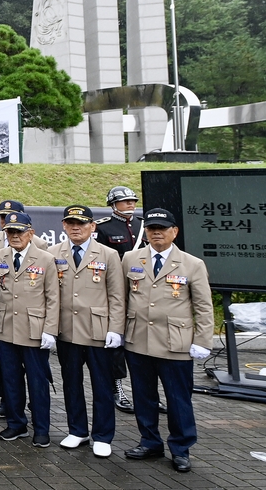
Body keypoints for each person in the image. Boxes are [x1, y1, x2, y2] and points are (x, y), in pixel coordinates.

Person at [121, 208, 213, 473]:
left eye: (162, 228)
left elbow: (204, 307)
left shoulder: (191, 264)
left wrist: (203, 340)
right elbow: (122, 298)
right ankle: (149, 441)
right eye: (151, 228)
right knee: (143, 396)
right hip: (138, 340)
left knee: (177, 399)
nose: (156, 233)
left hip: (176, 343)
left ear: (174, 232)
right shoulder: (131, 258)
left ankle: (181, 448)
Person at [51, 205, 124, 457]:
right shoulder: (53, 253)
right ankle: (77, 430)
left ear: (92, 227)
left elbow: (117, 295)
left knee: (102, 384)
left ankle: (103, 435)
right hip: (66, 330)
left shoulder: (108, 254)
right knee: (71, 382)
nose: (75, 228)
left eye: (81, 223)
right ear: (63, 225)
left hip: (98, 330)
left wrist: (116, 328)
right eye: (70, 223)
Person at [0, 212, 59, 447]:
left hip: (34, 330)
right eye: (10, 232)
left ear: (30, 233)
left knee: (38, 382)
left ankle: (41, 429)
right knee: (10, 380)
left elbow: (53, 297)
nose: (15, 236)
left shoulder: (45, 259)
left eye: (19, 232)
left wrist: (50, 330)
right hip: (6, 327)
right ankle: (16, 424)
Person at [94, 185, 144, 414]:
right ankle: (118, 388)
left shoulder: (143, 225)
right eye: (125, 201)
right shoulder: (105, 228)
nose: (131, 204)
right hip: (115, 289)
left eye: (132, 201)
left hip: (141, 290)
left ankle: (146, 393)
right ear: (113, 205)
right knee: (116, 342)